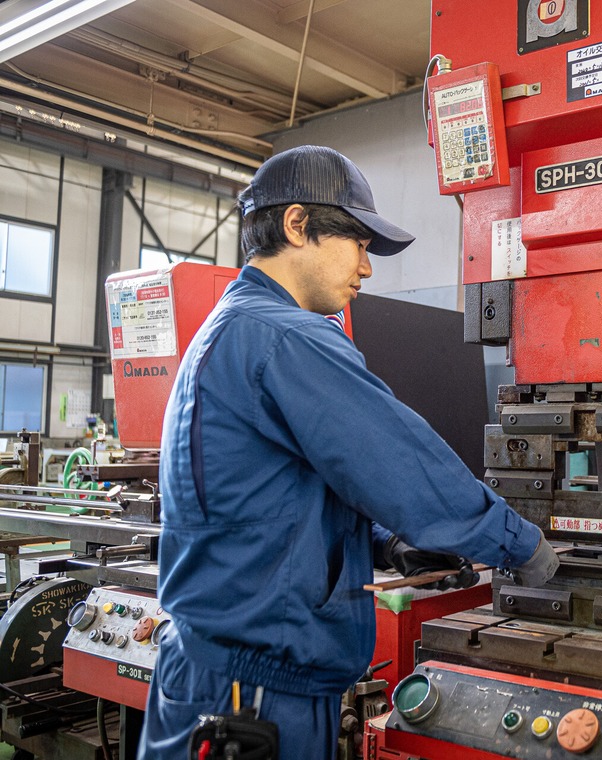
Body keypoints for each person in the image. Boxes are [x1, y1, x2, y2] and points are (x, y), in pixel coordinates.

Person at [138, 145, 559, 759]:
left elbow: (275, 501)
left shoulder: (236, 325)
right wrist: (524, 546)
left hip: (222, 677)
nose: (367, 268)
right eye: (358, 242)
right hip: (251, 698)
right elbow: (402, 463)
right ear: (297, 224)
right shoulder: (284, 336)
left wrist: (385, 543)